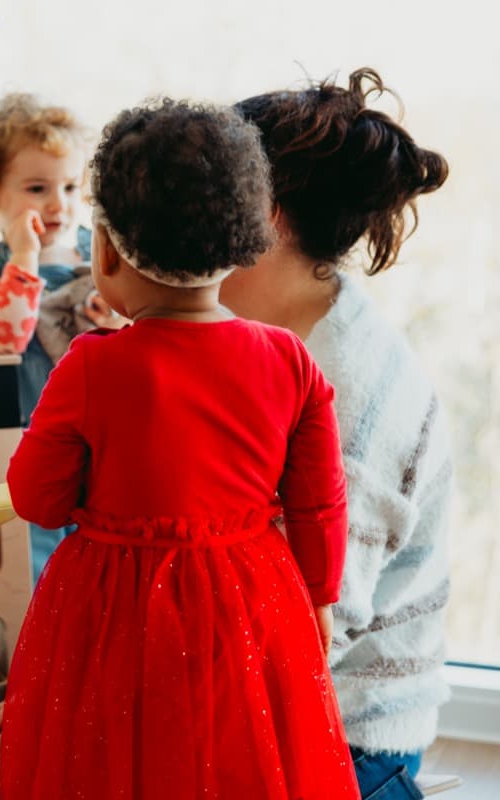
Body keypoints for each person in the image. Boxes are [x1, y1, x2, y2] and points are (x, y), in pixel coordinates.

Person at [0, 99, 357, 798]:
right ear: (250, 241)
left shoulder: (91, 367)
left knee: (112, 766)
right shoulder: (289, 359)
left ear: (105, 250)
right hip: (253, 603)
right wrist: (316, 600)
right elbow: (320, 502)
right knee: (238, 763)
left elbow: (34, 498)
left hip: (113, 610)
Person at [222, 68, 452, 799]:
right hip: (257, 697)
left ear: (265, 216)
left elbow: (299, 644)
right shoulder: (250, 337)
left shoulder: (348, 389)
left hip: (344, 739)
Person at [0, 92, 122, 580]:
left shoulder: (96, 255)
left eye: (70, 187)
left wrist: (113, 319)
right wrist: (24, 256)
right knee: (36, 556)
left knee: (101, 554)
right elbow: (3, 334)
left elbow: (136, 329)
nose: (58, 205)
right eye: (37, 188)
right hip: (25, 442)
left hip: (99, 442)